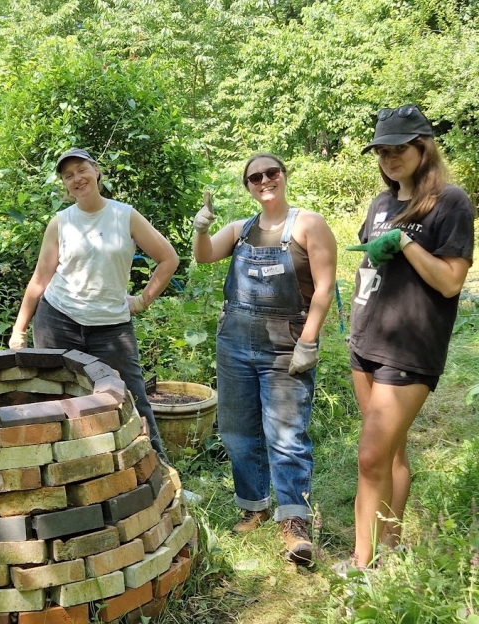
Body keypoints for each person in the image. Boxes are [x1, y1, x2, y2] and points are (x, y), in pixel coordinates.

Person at [346, 105, 474, 569]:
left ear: (424, 147)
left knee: (368, 458)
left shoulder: (451, 201)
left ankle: (361, 568)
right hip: (366, 340)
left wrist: (405, 243)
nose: (389, 157)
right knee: (391, 453)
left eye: (399, 148)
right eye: (382, 150)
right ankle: (389, 550)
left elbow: (450, 281)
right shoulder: (381, 204)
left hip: (411, 346)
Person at [192, 153, 337, 565]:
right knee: (238, 432)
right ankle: (253, 507)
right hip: (234, 343)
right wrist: (200, 229)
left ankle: (294, 523)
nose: (264, 180)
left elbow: (325, 288)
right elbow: (204, 256)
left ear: (284, 176)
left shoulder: (308, 224)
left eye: (271, 172)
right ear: (248, 186)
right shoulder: (240, 229)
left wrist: (308, 341)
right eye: (255, 177)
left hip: (285, 346)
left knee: (287, 435)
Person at [8, 148, 179, 459]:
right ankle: (61, 470)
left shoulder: (125, 215)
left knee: (133, 398)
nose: (77, 178)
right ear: (65, 184)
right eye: (68, 175)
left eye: (81, 170)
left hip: (111, 327)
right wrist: (18, 330)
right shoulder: (61, 223)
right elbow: (39, 279)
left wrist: (142, 301)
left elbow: (169, 258)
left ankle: (160, 468)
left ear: (96, 170)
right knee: (53, 394)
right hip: (57, 320)